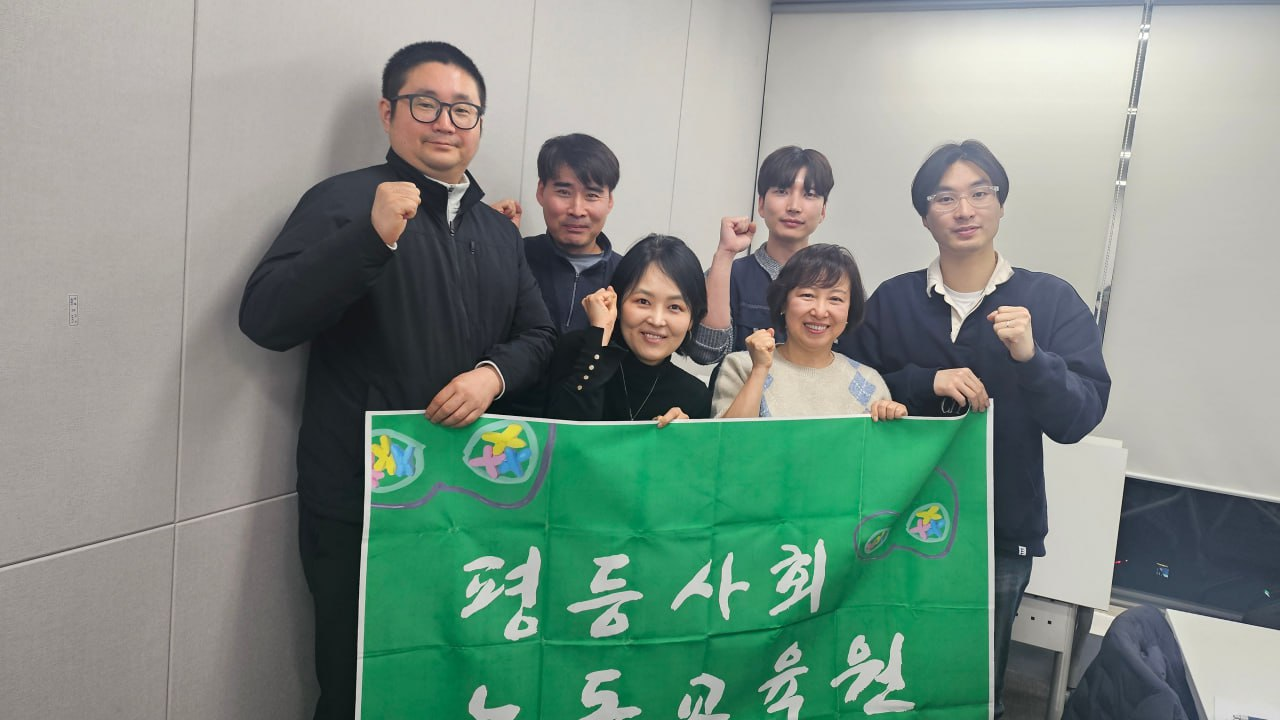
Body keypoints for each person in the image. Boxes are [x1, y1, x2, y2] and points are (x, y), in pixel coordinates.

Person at [238, 41, 554, 719]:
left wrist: (491, 378)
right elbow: (265, 319)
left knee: (455, 673)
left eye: (463, 110)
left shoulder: (499, 232)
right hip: (363, 500)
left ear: (479, 125)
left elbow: (539, 336)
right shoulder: (342, 201)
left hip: (472, 497)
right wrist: (370, 238)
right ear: (388, 112)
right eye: (425, 104)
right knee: (358, 682)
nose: (445, 122)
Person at [846, 140, 1111, 717]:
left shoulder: (1049, 300)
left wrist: (1032, 357)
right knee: (880, 663)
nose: (964, 210)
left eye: (979, 193)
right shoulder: (891, 301)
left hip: (999, 530)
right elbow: (849, 388)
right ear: (924, 216)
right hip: (893, 520)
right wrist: (923, 381)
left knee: (974, 680)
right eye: (945, 198)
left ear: (1000, 204)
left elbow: (1079, 418)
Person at [712, 243, 905, 421]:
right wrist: (759, 370)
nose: (820, 312)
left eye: (835, 299)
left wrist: (891, 417)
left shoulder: (868, 382)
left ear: (850, 310)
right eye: (808, 295)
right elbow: (729, 440)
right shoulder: (741, 366)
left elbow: (878, 447)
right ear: (783, 303)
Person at [688, 146, 844, 365]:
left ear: (823, 210)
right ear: (761, 204)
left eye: (809, 194)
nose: (794, 206)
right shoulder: (730, 275)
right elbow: (705, 354)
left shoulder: (839, 283)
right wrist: (725, 255)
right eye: (782, 191)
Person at [545, 234, 712, 424]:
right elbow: (560, 434)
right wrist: (597, 341)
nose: (657, 321)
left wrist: (681, 438)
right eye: (643, 301)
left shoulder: (695, 397)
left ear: (692, 319)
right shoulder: (577, 352)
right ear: (618, 302)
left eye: (674, 307)